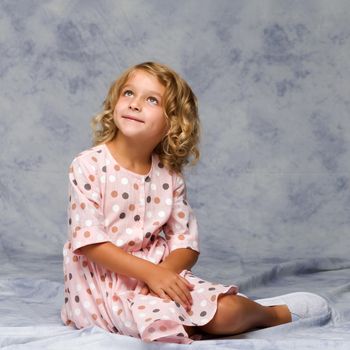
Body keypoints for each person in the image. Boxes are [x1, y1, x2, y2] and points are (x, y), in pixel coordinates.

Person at [61, 61, 329, 344]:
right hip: (102, 287)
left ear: (171, 123)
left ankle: (271, 313)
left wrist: (162, 276)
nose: (135, 104)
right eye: (128, 93)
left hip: (162, 276)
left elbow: (185, 244)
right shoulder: (88, 165)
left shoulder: (168, 175)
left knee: (229, 313)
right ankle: (191, 321)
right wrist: (149, 275)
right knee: (161, 326)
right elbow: (89, 243)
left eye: (151, 99)